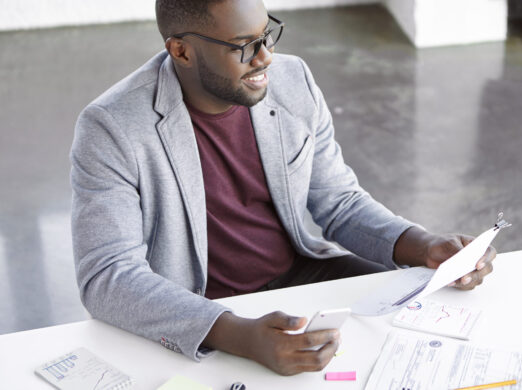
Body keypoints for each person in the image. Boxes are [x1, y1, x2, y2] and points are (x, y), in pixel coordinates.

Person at [70, 0, 496, 376]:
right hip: (201, 304)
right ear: (181, 50)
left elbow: (339, 202)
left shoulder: (293, 81)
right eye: (243, 45)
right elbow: (107, 276)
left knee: (419, 339)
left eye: (266, 34)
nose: (265, 57)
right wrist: (239, 334)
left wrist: (424, 245)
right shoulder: (112, 126)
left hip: (302, 273)